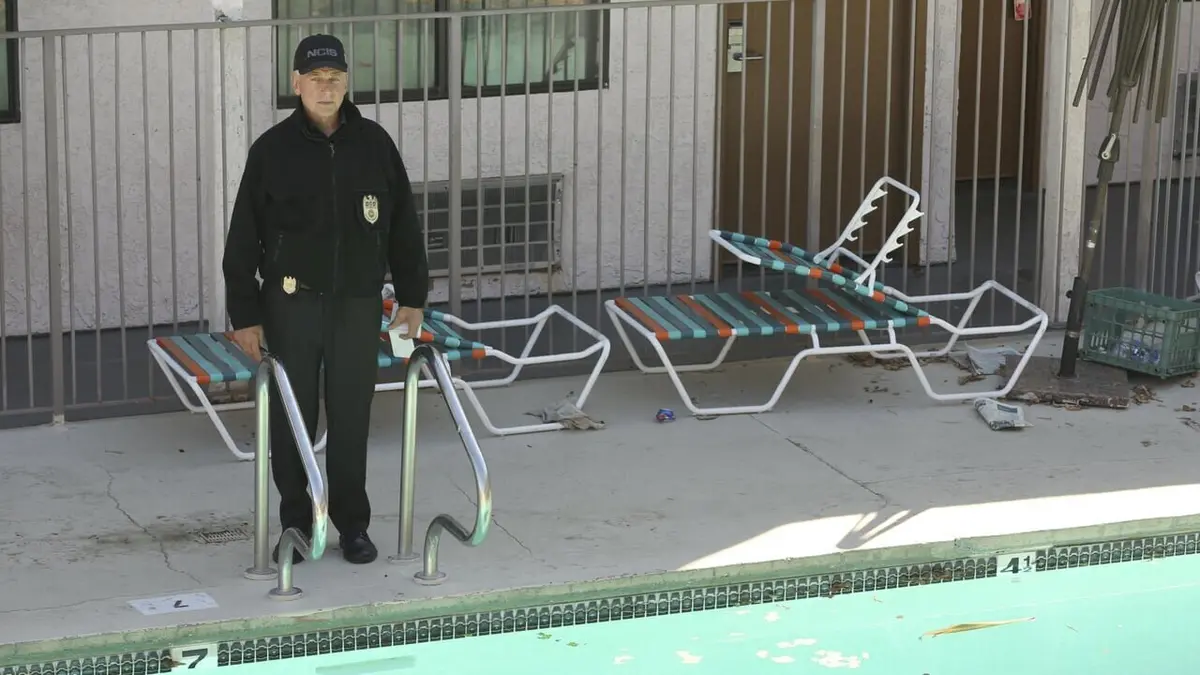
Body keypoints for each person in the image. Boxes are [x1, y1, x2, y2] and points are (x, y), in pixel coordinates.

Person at [221, 34, 429, 565]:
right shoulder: (271, 151)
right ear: (296, 84)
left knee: (352, 417)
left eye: (334, 78)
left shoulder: (374, 144)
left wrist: (412, 297)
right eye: (315, 78)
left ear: (346, 83)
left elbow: (403, 226)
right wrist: (245, 314)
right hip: (290, 305)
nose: (326, 87)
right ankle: (297, 523)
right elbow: (243, 239)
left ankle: (352, 525)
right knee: (291, 419)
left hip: (356, 304)